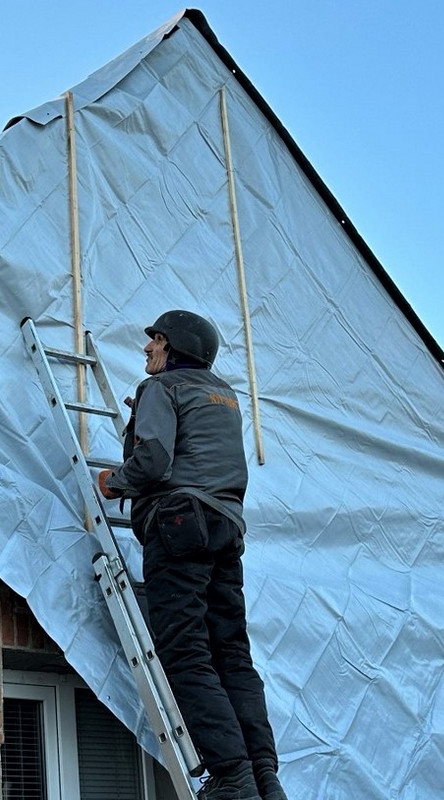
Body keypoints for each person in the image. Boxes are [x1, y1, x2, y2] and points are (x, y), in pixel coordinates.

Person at [97, 310, 288, 800]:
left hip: (180, 524)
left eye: (155, 341)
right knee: (232, 656)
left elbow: (155, 459)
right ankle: (265, 778)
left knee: (184, 651)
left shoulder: (162, 389)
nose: (147, 350)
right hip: (225, 528)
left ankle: (231, 776)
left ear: (174, 346)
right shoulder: (225, 397)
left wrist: (114, 482)